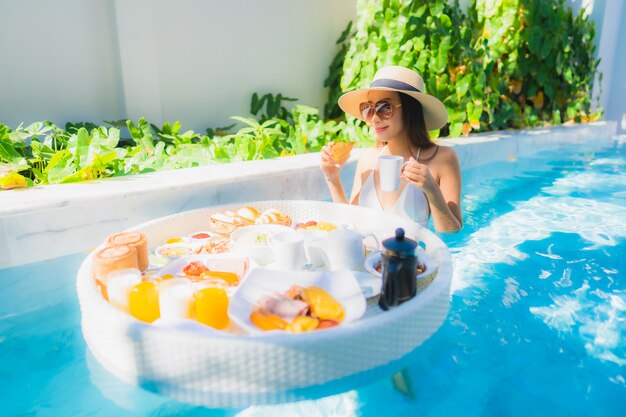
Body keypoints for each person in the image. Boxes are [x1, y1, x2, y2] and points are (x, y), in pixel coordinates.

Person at [320, 66, 462, 232]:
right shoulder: (368, 158)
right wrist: (332, 177)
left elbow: (452, 231)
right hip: (366, 256)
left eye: (385, 108)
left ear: (410, 109)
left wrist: (432, 190)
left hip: (409, 257)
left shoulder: (442, 158)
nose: (374, 118)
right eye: (368, 108)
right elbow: (351, 226)